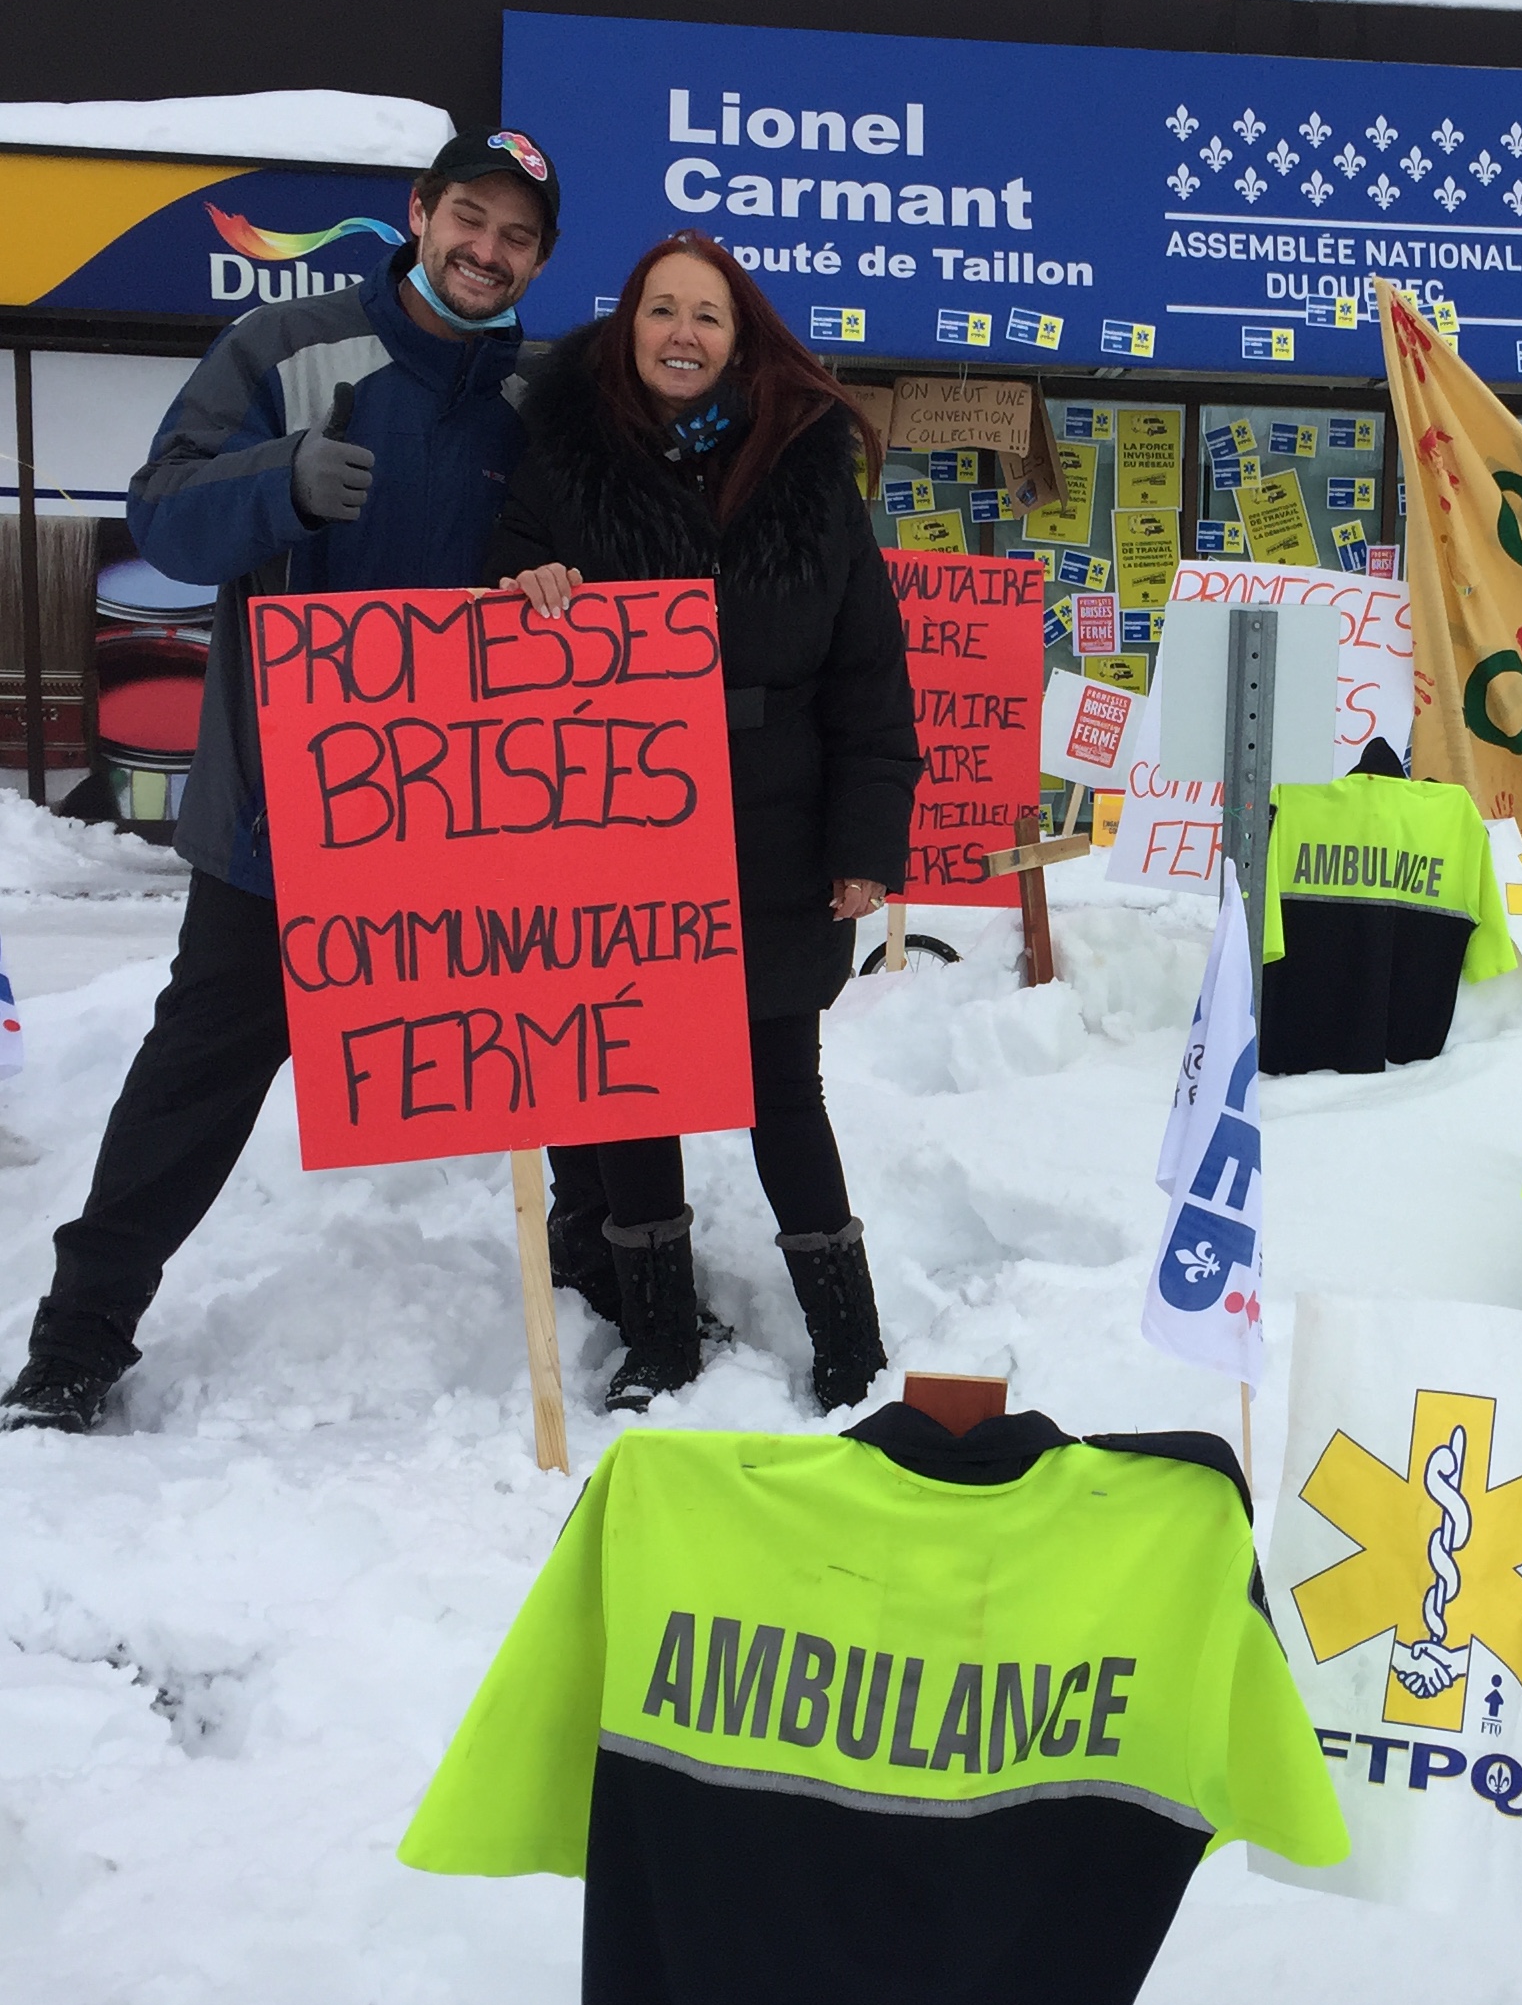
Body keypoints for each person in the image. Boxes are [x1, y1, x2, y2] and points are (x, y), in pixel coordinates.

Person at [2, 129, 563, 1436]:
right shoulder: (291, 350)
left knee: (564, 1046)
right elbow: (164, 511)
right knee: (200, 1068)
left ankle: (613, 1300)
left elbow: (596, 552)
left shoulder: (543, 398)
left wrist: (566, 584)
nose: (487, 250)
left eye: (517, 235)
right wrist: (280, 484)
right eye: (468, 218)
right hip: (282, 815)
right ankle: (79, 1343)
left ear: (540, 257)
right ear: (418, 214)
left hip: (470, 820)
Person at [489, 232, 919, 1417]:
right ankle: (657, 1334)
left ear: (744, 340)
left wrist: (863, 844)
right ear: (627, 329)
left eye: (708, 316)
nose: (683, 333)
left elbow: (869, 678)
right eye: (661, 310)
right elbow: (494, 610)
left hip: (779, 825)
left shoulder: (805, 474)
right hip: (616, 826)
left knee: (783, 1079)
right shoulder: (562, 464)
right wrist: (522, 593)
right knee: (633, 1079)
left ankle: (847, 1332)